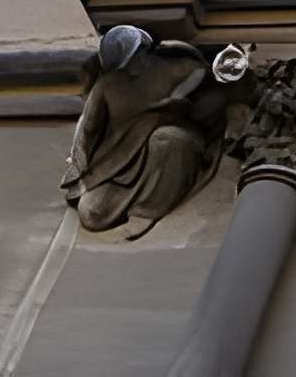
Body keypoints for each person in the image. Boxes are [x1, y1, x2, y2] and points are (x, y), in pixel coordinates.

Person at [61, 26, 226, 237]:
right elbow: (88, 125)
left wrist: (178, 95)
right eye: (125, 63)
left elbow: (201, 71)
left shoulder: (175, 67)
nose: (132, 66)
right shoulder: (107, 84)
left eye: (136, 56)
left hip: (163, 150)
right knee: (92, 213)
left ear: (145, 48)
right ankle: (126, 200)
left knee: (167, 139)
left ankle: (146, 212)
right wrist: (79, 160)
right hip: (120, 159)